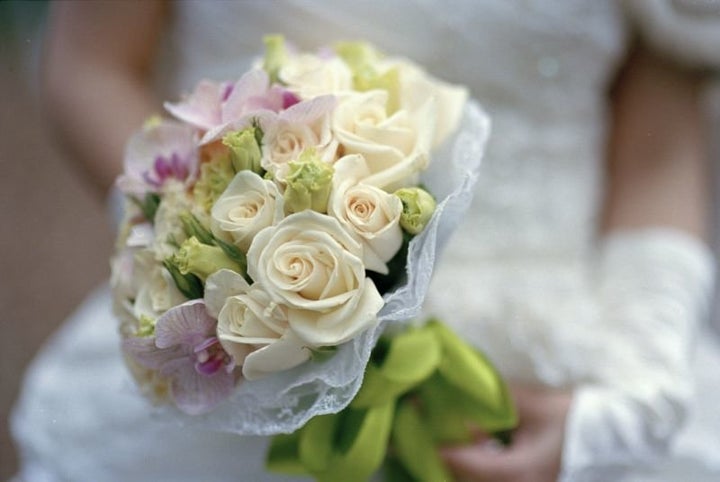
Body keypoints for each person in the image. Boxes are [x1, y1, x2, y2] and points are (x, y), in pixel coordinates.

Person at [11, 1, 720, 481]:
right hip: (248, 361)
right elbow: (91, 65)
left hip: (551, 366)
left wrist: (638, 385)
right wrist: (204, 247)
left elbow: (658, 147)